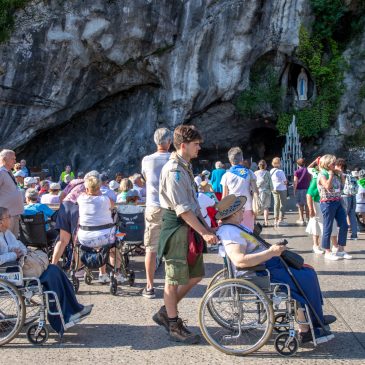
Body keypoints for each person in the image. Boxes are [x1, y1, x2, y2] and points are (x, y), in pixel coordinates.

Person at [216, 195, 336, 344]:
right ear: (233, 213)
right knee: (305, 276)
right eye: (241, 210)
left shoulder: (236, 227)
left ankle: (313, 319)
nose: (243, 212)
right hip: (258, 271)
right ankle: (310, 324)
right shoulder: (230, 232)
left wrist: (272, 251)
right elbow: (239, 260)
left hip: (265, 265)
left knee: (307, 271)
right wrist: (271, 252)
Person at [154, 124, 218, 344]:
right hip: (177, 228)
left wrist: (207, 227)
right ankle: (173, 324)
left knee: (195, 274)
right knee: (173, 279)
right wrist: (204, 231)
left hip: (189, 227)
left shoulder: (185, 166)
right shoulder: (174, 170)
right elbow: (182, 209)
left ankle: (165, 311)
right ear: (183, 146)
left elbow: (193, 204)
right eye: (196, 144)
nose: (199, 148)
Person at [0, 206, 92, 332]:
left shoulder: (7, 233)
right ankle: (62, 318)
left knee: (55, 270)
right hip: (11, 273)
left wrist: (19, 251)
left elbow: (21, 246)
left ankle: (75, 309)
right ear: (1, 221)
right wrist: (13, 254)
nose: (11, 219)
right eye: (8, 217)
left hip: (20, 267)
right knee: (51, 277)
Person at [141, 127, 172, 299]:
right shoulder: (175, 159)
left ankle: (150, 286)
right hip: (170, 207)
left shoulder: (147, 160)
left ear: (155, 142)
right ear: (169, 142)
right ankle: (170, 285)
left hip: (153, 206)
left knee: (151, 249)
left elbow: (146, 178)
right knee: (170, 248)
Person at [77, 174, 124, 284]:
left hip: (84, 238)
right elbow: (113, 207)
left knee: (100, 245)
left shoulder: (81, 198)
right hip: (104, 238)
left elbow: (84, 194)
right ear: (99, 187)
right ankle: (116, 273)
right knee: (113, 249)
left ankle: (102, 274)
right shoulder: (105, 199)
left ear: (87, 188)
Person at [51, 171, 98, 266]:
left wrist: (62, 209)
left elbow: (62, 195)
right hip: (78, 208)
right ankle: (77, 268)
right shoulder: (93, 184)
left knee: (63, 240)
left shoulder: (75, 181)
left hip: (65, 206)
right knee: (77, 241)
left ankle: (53, 265)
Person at [318, 155, 350, 260]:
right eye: (333, 163)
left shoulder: (335, 173)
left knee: (344, 225)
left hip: (337, 201)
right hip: (327, 203)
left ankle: (340, 249)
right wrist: (331, 175)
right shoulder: (322, 174)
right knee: (328, 227)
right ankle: (327, 251)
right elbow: (327, 186)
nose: (335, 165)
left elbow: (342, 186)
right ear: (327, 164)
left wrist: (340, 175)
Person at [305, 158, 339, 255]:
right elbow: (309, 194)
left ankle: (335, 246)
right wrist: (311, 209)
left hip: (329, 203)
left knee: (332, 224)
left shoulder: (332, 175)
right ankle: (316, 245)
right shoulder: (317, 177)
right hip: (318, 204)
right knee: (317, 224)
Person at [221, 147, 258, 230]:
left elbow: (224, 196)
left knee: (235, 232)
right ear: (242, 159)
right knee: (248, 232)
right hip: (248, 207)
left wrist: (222, 213)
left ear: (230, 161)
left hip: (233, 209)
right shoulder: (250, 173)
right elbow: (256, 191)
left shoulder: (226, 175)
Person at [0, 149, 23, 237]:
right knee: (5, 241)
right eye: (12, 159)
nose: (15, 161)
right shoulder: (1, 172)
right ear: (5, 159)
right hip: (5, 217)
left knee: (13, 241)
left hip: (14, 214)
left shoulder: (9, 172)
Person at [336, 159, 358, 240]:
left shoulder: (340, 175)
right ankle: (354, 235)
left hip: (345, 197)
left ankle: (342, 235)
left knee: (343, 215)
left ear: (339, 166)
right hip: (353, 195)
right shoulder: (350, 173)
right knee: (352, 216)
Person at [270, 157, 288, 227]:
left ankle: (275, 220)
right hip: (281, 189)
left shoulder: (271, 171)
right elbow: (285, 181)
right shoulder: (280, 171)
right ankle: (281, 220)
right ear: (279, 163)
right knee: (283, 204)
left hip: (274, 188)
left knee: (276, 204)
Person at [254, 160, 273, 227]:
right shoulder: (267, 173)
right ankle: (266, 222)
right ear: (265, 166)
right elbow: (271, 182)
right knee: (266, 207)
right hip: (267, 191)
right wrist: (272, 189)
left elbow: (254, 182)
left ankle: (254, 222)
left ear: (259, 166)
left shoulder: (255, 173)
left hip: (258, 191)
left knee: (256, 207)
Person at [293, 158, 311, 225]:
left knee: (300, 205)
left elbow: (295, 182)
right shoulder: (308, 171)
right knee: (307, 205)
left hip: (299, 189)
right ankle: (308, 219)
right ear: (305, 163)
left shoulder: (296, 172)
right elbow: (311, 179)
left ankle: (301, 219)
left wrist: (294, 190)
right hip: (307, 189)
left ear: (297, 164)